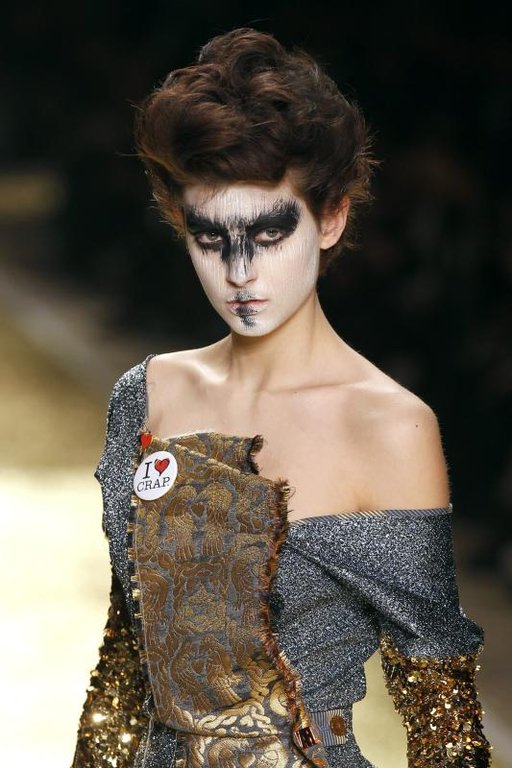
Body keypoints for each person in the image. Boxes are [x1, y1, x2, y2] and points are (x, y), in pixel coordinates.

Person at [71, 28, 492, 768]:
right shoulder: (146, 395)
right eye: (210, 238)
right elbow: (123, 671)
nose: (240, 271)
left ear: (331, 218)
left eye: (267, 234)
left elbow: (443, 727)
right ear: (181, 227)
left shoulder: (388, 427)